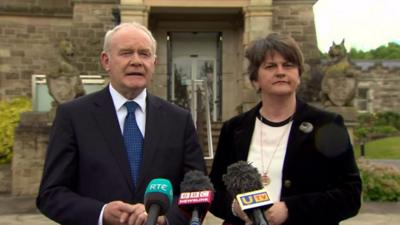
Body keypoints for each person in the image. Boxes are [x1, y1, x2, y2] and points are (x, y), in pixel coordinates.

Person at [37, 22, 206, 225]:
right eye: (126, 53)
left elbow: (198, 191)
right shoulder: (73, 116)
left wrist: (164, 219)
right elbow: (51, 194)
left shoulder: (179, 120)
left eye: (144, 54)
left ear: (154, 62)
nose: (136, 61)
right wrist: (102, 213)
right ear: (106, 61)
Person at [209, 33, 361, 225]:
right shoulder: (234, 128)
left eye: (288, 65)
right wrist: (233, 207)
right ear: (255, 80)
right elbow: (214, 191)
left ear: (298, 75)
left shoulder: (327, 125)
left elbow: (350, 196)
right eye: (270, 66)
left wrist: (291, 209)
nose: (280, 72)